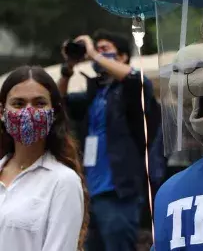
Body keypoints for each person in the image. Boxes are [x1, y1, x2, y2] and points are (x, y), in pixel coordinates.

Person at [58, 29, 158, 251]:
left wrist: (93, 53)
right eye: (96, 49)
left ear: (122, 57)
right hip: (89, 194)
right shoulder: (95, 92)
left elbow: (137, 80)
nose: (97, 53)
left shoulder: (130, 91)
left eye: (105, 49)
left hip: (118, 192)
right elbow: (58, 103)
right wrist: (68, 68)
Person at [0, 65, 88, 251]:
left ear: (54, 113)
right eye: (19, 104)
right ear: (2, 112)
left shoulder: (63, 181)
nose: (28, 112)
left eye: (39, 103)